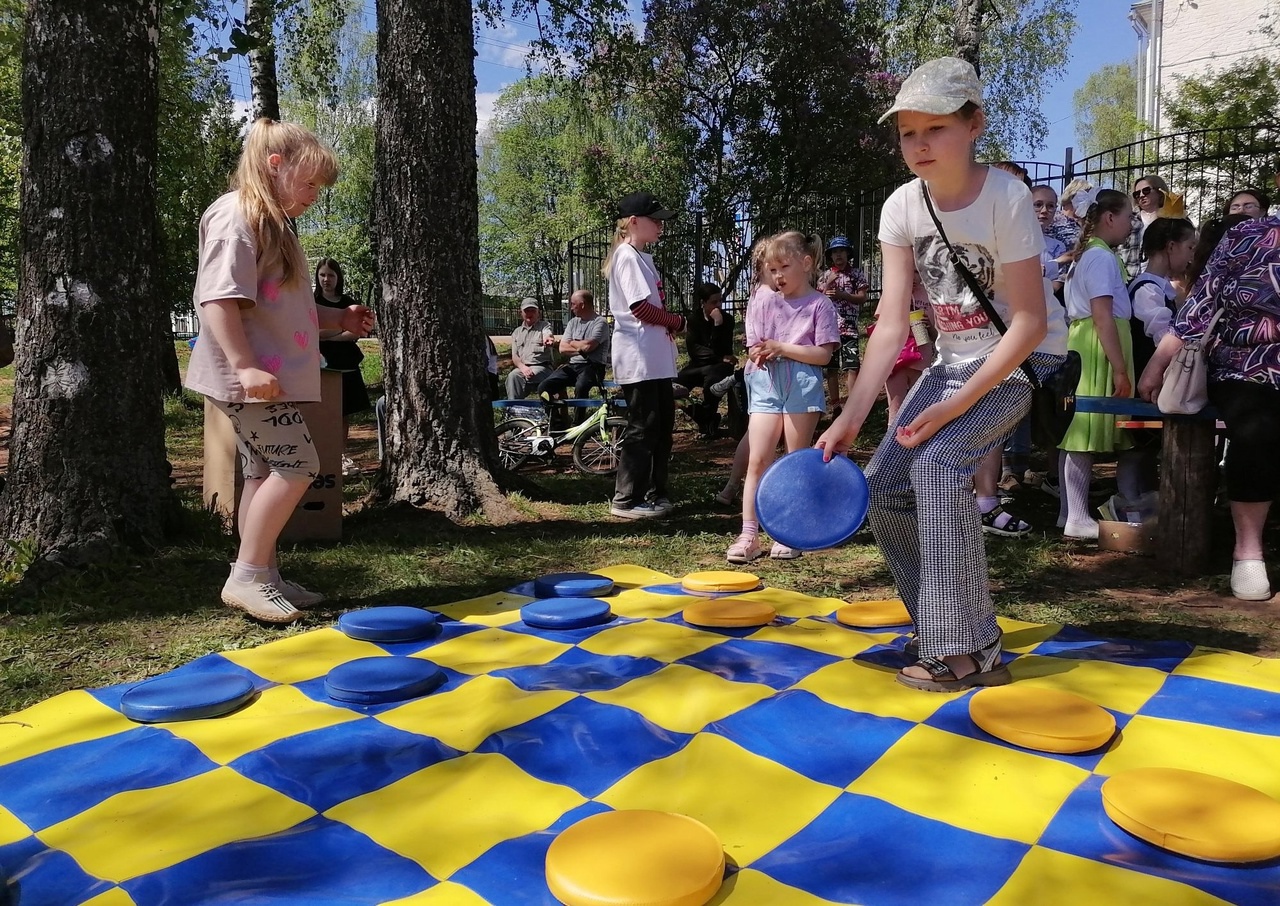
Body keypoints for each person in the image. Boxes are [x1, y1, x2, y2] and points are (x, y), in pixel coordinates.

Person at [817, 57, 1065, 693]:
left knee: (939, 464)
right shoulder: (901, 206)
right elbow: (892, 325)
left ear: (974, 124)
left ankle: (969, 653)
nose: (920, 145)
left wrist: (952, 409)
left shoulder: (1006, 198)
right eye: (908, 133)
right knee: (885, 487)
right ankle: (944, 626)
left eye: (936, 129)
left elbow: (1031, 323)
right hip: (953, 360)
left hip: (1021, 360)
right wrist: (850, 417)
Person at [185, 118, 374, 623]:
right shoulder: (237, 217)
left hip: (263, 378)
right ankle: (246, 576)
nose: (315, 194)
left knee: (263, 471)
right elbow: (217, 300)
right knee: (298, 467)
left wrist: (339, 319)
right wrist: (244, 366)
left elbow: (284, 311)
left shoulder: (273, 224)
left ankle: (262, 574)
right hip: (245, 380)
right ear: (275, 166)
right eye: (310, 182)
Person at [1139, 209, 1280, 601]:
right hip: (1247, 365)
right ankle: (1248, 552)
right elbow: (1200, 306)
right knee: (1256, 429)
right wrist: (1156, 365)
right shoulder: (1247, 235)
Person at [727, 231, 838, 562]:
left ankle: (790, 530)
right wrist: (759, 350)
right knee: (757, 459)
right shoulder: (765, 300)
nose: (777, 276)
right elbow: (754, 342)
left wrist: (782, 348)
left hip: (802, 388)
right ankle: (749, 535)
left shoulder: (820, 304)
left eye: (783, 267)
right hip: (766, 386)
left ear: (806, 264)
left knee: (794, 461)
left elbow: (824, 356)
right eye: (772, 270)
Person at [1056, 189, 1140, 540]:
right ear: (1109, 218)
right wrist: (1119, 368)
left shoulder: (1089, 254)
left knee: (1079, 428)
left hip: (1087, 341)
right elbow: (1103, 315)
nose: (1131, 222)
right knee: (1083, 430)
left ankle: (1068, 513)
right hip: (1096, 345)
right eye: (1128, 216)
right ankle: (1076, 516)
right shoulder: (1100, 258)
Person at [604, 192, 684, 519]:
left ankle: (656, 493)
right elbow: (640, 308)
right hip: (639, 359)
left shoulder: (639, 257)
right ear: (634, 222)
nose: (661, 225)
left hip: (654, 358)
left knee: (662, 425)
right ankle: (626, 499)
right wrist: (678, 321)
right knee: (643, 427)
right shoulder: (626, 255)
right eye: (655, 220)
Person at [314, 258, 372, 478]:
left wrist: (331, 334)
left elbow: (356, 333)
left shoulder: (348, 302)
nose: (326, 280)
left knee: (342, 412)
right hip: (318, 364)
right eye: (322, 275)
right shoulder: (312, 301)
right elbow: (314, 333)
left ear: (338, 278)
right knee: (319, 412)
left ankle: (340, 455)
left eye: (331, 275)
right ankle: (320, 457)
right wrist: (339, 331)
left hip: (346, 365)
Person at [678, 283, 738, 438]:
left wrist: (717, 325)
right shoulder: (694, 320)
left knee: (712, 383)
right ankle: (702, 415)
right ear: (703, 303)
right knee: (674, 386)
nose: (718, 305)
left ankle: (709, 422)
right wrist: (717, 356)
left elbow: (723, 348)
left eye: (720, 301)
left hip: (719, 366)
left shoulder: (727, 320)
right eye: (713, 302)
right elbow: (694, 350)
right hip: (699, 365)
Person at [816, 236, 869, 412]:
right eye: (835, 252)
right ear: (830, 255)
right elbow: (816, 300)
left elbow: (862, 298)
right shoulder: (825, 276)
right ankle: (836, 405)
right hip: (829, 330)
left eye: (841, 251)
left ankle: (852, 406)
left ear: (848, 253)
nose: (838, 255)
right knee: (831, 368)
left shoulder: (856, 274)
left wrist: (843, 295)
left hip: (850, 328)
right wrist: (829, 283)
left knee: (852, 366)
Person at [540, 289, 609, 403]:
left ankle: (578, 420)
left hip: (593, 367)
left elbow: (588, 347)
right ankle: (557, 420)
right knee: (544, 387)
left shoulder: (600, 322)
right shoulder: (573, 322)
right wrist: (580, 346)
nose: (571, 308)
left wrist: (571, 342)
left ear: (582, 305)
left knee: (581, 387)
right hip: (573, 365)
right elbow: (562, 348)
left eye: (573, 304)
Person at [505, 298, 554, 399]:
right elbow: (515, 356)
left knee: (530, 374)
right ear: (521, 313)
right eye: (526, 311)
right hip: (523, 368)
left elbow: (548, 334)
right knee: (512, 376)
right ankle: (514, 410)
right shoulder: (516, 332)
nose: (529, 313)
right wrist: (523, 368)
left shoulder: (544, 326)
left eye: (533, 310)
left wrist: (548, 339)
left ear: (538, 313)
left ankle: (546, 409)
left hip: (542, 368)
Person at [1122, 174, 1172, 274]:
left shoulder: (1173, 218)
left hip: (1164, 278)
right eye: (1137, 194)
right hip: (1132, 279)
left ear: (1160, 191)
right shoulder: (1130, 219)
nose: (1141, 195)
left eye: (1146, 190)